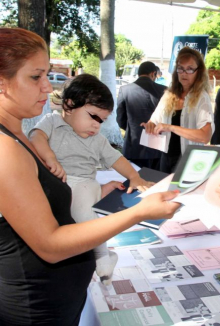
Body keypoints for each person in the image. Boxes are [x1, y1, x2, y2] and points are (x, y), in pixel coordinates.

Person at [0, 27, 179, 325]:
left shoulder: (17, 137)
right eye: (36, 76)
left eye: (46, 75)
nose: (47, 87)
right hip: (35, 312)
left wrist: (96, 187)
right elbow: (49, 244)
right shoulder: (7, 149)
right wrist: (141, 212)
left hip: (54, 305)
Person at [30, 73, 156, 284]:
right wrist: (50, 157)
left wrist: (134, 176)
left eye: (102, 120)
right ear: (69, 105)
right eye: (93, 116)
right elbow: (36, 137)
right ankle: (101, 193)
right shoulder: (50, 122)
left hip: (82, 184)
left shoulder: (97, 140)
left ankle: (103, 257)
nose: (97, 125)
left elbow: (117, 159)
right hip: (54, 185)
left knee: (83, 217)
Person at [143, 47, 214, 173]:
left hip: (189, 161)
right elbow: (154, 120)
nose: (184, 73)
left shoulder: (202, 98)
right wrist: (150, 126)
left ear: (199, 72)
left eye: (190, 69)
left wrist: (170, 127)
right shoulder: (169, 94)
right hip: (166, 158)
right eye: (181, 68)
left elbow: (205, 136)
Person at [117, 61, 166, 170]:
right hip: (157, 145)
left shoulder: (124, 90)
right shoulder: (163, 90)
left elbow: (120, 118)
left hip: (133, 144)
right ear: (153, 73)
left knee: (134, 180)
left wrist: (133, 128)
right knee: (156, 180)